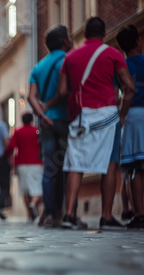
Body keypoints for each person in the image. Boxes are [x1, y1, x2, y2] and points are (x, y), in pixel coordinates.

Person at [58, 17, 135, 229]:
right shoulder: (112, 53)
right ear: (103, 33)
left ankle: (68, 215)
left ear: (84, 34)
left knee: (75, 164)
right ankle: (106, 216)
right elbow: (129, 87)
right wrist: (122, 113)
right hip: (108, 115)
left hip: (81, 116)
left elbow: (63, 91)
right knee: (109, 164)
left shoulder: (70, 56)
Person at [28, 24, 72, 227]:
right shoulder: (67, 60)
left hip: (46, 123)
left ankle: (49, 213)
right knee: (66, 167)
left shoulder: (38, 66)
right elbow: (67, 91)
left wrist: (42, 115)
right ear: (65, 41)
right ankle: (64, 213)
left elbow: (31, 97)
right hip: (64, 119)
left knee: (49, 168)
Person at [116, 25, 144, 228]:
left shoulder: (120, 67)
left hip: (132, 117)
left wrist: (121, 114)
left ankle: (140, 213)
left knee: (135, 167)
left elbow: (121, 92)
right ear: (138, 42)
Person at [4, 112, 43, 223]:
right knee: (37, 188)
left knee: (25, 190)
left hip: (21, 163)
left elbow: (10, 147)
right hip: (36, 162)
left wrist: (10, 161)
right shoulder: (37, 131)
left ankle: (29, 215)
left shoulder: (17, 131)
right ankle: (33, 203)